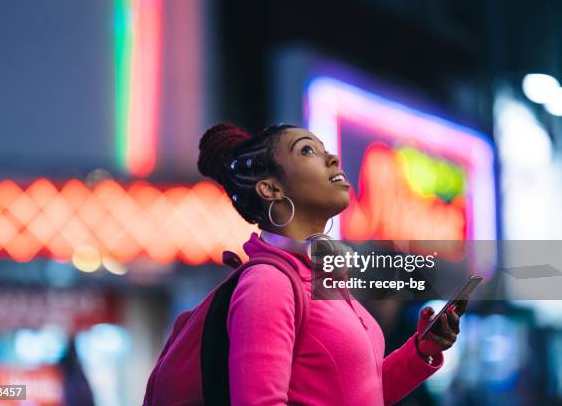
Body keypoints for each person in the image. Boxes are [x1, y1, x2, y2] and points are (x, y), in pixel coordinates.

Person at [195, 123, 461, 405]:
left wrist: (420, 350)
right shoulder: (268, 283)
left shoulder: (322, 278)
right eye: (307, 150)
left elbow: (358, 393)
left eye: (325, 149)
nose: (332, 158)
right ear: (270, 188)